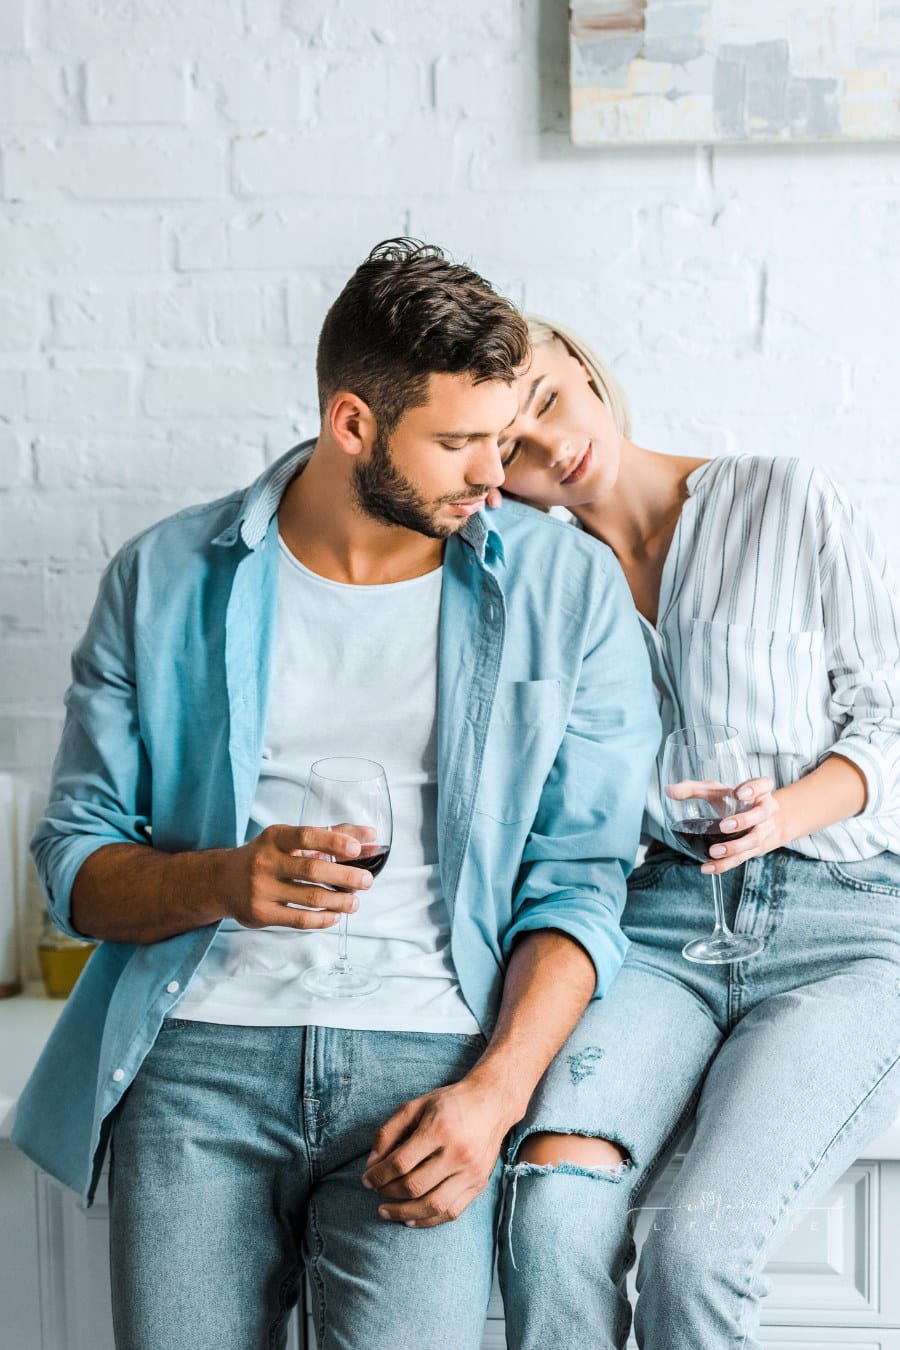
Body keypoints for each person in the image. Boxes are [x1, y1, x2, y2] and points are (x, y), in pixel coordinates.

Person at [12, 247, 659, 1350]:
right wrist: (225, 879)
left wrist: (494, 1095)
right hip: (196, 1068)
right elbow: (76, 866)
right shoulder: (164, 576)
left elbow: (584, 882)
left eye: (502, 440)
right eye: (458, 445)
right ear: (353, 423)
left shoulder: (564, 589)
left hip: (430, 1073)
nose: (495, 477)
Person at [492, 315, 900, 1350]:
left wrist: (791, 808)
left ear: (583, 370)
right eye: (509, 450)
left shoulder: (784, 497)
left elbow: (889, 714)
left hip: (842, 928)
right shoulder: (537, 587)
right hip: (658, 931)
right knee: (548, 1226)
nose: (550, 447)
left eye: (546, 402)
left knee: (695, 1254)